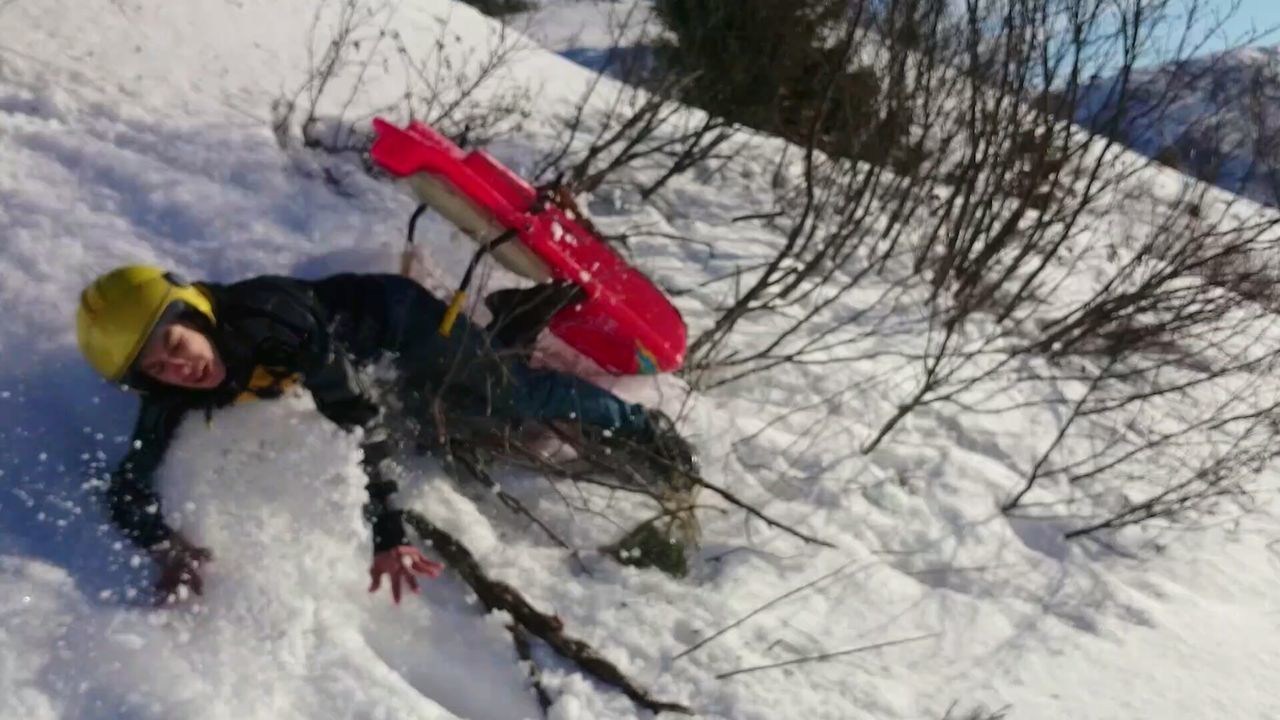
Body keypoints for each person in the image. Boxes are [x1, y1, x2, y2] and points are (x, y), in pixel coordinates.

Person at [76, 266, 695, 605]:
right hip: (362, 360)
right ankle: (509, 321)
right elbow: (126, 485)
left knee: (506, 398)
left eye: (175, 346)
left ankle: (639, 421)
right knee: (446, 431)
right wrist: (166, 546)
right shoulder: (175, 390)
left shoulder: (272, 322)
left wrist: (387, 534)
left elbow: (357, 414)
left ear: (192, 313)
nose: (178, 368)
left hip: (399, 321)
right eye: (155, 369)